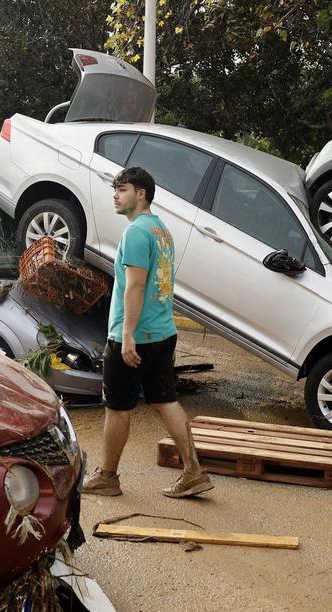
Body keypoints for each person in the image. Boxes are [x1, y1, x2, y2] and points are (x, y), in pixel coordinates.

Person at [81, 166, 213, 498]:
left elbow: (135, 287)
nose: (115, 195)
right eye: (115, 189)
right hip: (162, 332)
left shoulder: (136, 233)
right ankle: (194, 471)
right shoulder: (161, 232)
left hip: (136, 338)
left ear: (141, 194)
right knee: (165, 401)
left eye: (122, 189)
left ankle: (108, 477)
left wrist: (126, 336)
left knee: (117, 407)